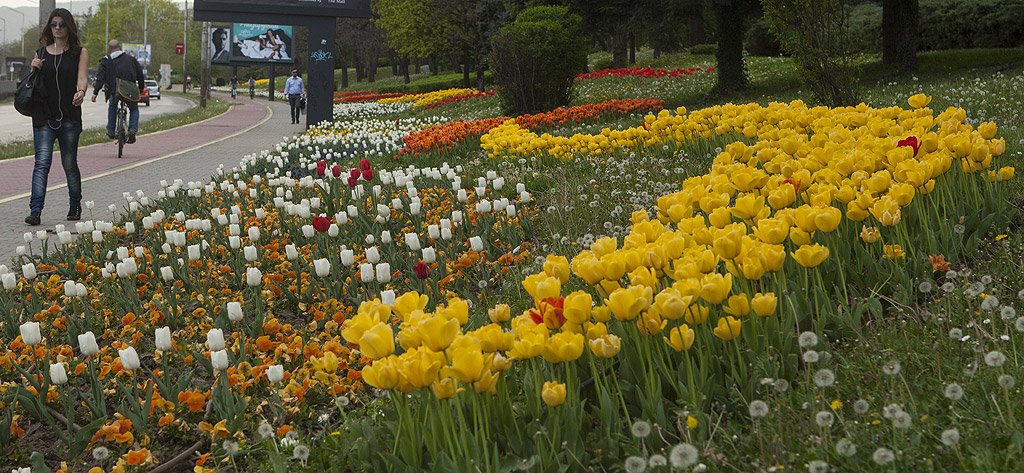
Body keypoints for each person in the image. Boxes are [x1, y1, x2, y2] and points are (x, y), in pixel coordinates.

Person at [25, 8, 89, 226]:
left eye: (62, 24)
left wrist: (81, 92)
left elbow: (82, 77)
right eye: (54, 24)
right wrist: (33, 67)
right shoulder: (40, 53)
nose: (58, 28)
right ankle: (35, 210)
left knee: (69, 163)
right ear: (49, 27)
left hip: (69, 117)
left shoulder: (79, 52)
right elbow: (32, 83)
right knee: (41, 163)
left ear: (69, 26)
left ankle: (75, 205)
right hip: (44, 117)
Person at [91, 40, 146, 144]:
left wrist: (95, 92)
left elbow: (100, 78)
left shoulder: (106, 60)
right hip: (130, 90)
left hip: (114, 91)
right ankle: (132, 130)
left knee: (112, 106)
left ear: (109, 49)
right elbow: (140, 74)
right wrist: (141, 88)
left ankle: (111, 131)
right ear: (120, 47)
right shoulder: (131, 59)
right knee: (134, 109)